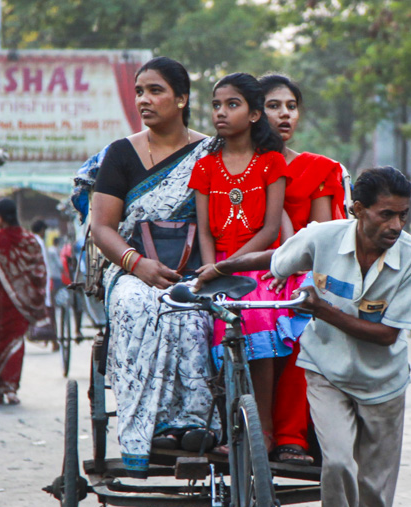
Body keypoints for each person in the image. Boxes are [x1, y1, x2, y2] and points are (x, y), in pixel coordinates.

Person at [196, 166, 411, 507]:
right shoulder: (324, 237)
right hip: (325, 371)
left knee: (376, 489)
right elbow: (274, 259)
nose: (395, 226)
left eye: (402, 215)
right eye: (386, 215)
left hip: (383, 384)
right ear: (357, 210)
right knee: (339, 462)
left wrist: (320, 309)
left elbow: (385, 335)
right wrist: (218, 268)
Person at [88, 56, 218, 476]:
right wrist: (136, 264)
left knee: (197, 316)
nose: (144, 100)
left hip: (196, 270)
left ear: (182, 99)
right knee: (135, 306)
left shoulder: (210, 151)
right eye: (139, 91)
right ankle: (151, 429)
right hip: (130, 270)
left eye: (155, 90)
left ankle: (195, 426)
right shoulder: (121, 154)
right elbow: (103, 227)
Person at [190, 72, 287, 452]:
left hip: (258, 265)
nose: (221, 112)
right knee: (213, 329)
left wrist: (228, 268)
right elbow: (204, 233)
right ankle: (231, 430)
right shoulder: (206, 167)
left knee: (256, 323)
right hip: (215, 266)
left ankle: (262, 431)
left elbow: (271, 228)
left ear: (253, 115)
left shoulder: (271, 162)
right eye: (216, 105)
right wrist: (212, 270)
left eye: (232, 105)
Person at [259, 73, 348, 465]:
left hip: (298, 273)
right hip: (246, 271)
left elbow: (323, 238)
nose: (284, 115)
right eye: (273, 106)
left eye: (291, 107)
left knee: (306, 328)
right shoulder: (224, 164)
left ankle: (291, 436)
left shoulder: (319, 168)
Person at [0, 198, 48, 405]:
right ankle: (11, 388)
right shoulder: (31, 240)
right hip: (22, 302)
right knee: (16, 344)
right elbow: (39, 271)